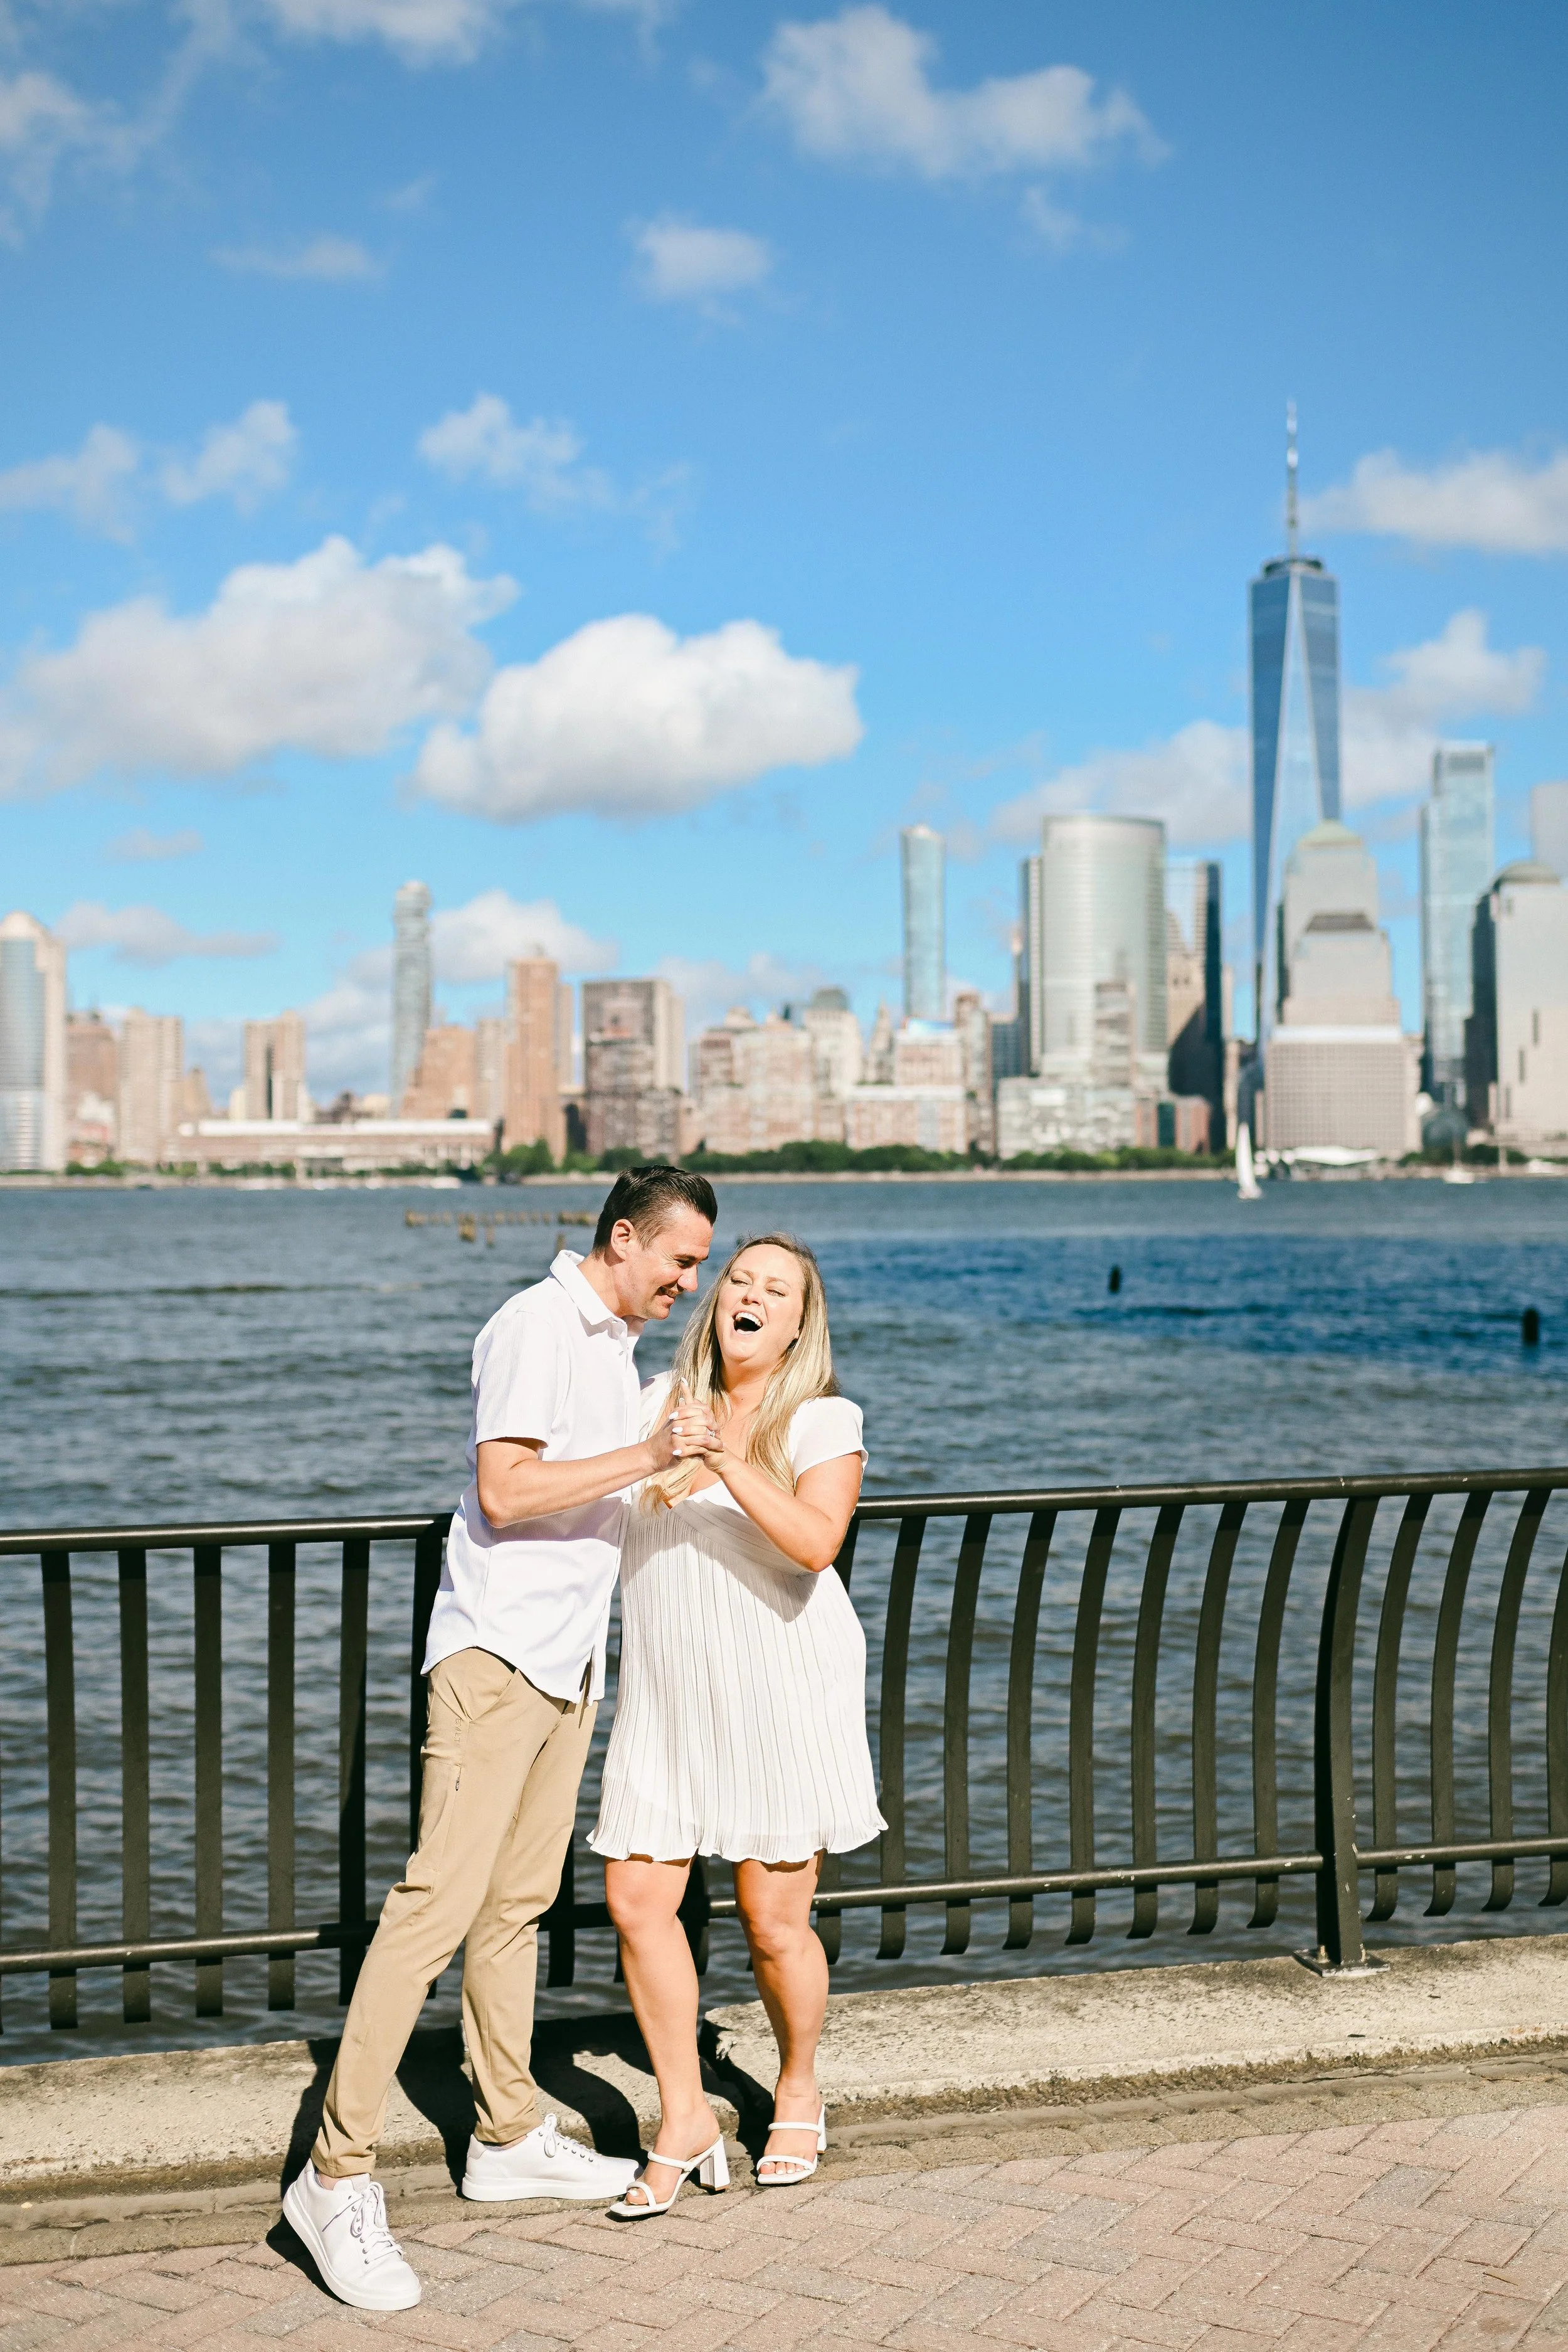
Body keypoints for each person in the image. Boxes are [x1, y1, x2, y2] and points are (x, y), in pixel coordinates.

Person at [283, 1165, 719, 2311]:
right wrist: (649, 1455)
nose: (688, 1282)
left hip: (567, 1663)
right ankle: (334, 2175)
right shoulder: (535, 1324)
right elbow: (507, 1489)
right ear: (624, 1239)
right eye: (679, 1260)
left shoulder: (610, 1344)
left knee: (516, 1907)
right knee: (432, 1905)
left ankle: (508, 2129)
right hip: (495, 1659)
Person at [591, 1234, 883, 2217]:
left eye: (776, 1289)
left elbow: (815, 1545)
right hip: (671, 1691)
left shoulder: (822, 1416)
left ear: (801, 1321)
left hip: (781, 1682)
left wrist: (724, 1457)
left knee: (772, 1921)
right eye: (739, 1281)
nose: (750, 1295)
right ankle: (686, 2115)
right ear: (717, 1302)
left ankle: (796, 2083)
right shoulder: (650, 1406)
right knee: (635, 1896)